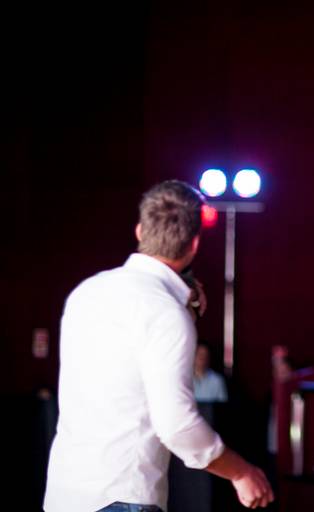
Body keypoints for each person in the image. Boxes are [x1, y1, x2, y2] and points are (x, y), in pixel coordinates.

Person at [44, 181, 273, 511]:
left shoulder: (86, 293)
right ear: (194, 244)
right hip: (123, 497)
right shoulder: (166, 314)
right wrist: (241, 472)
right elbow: (177, 426)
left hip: (65, 494)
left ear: (140, 230)